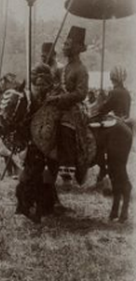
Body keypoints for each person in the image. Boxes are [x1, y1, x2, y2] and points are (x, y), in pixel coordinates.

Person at [15, 63, 60, 222]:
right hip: (34, 144)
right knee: (30, 177)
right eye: (37, 83)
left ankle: (39, 211)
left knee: (40, 180)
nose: (40, 86)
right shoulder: (31, 99)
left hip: (48, 145)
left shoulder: (53, 99)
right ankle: (27, 206)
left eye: (43, 84)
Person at [46, 26, 89, 184]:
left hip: (73, 110)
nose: (64, 47)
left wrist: (59, 98)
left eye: (68, 45)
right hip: (60, 107)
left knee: (65, 131)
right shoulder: (63, 69)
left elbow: (81, 93)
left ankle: (67, 176)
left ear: (77, 48)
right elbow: (56, 85)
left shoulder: (81, 69)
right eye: (65, 44)